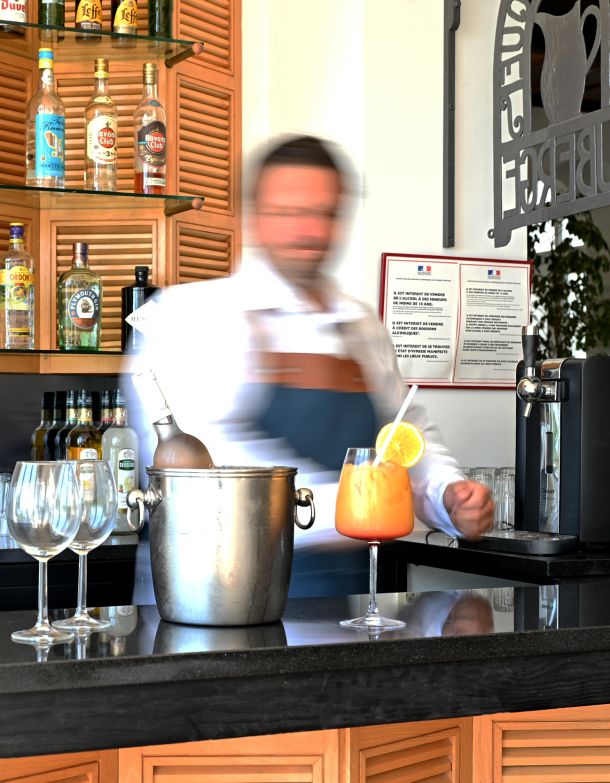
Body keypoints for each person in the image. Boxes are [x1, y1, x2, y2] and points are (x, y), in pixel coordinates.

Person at [126, 134, 494, 599]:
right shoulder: (190, 317)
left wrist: (448, 496)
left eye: (323, 214)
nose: (309, 232)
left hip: (359, 600)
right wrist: (356, 502)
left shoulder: (360, 325)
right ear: (255, 217)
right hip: (221, 599)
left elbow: (404, 436)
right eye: (289, 213)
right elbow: (206, 470)